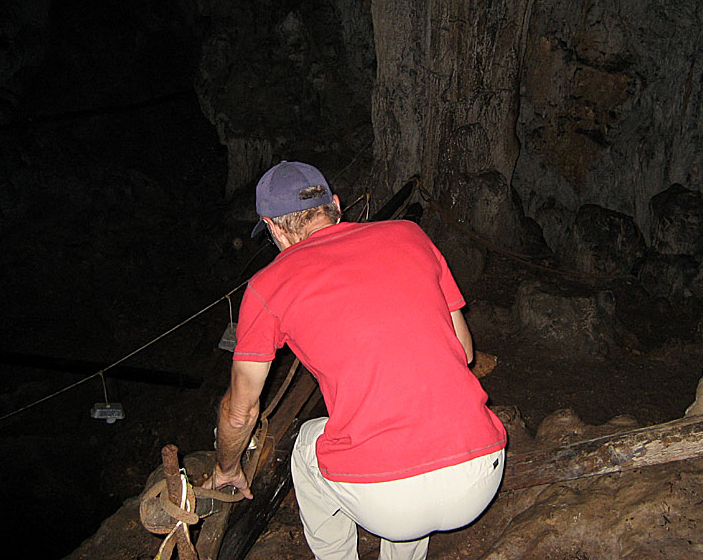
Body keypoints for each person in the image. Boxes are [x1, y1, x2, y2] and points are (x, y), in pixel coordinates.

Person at [212, 160, 507, 560]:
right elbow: (465, 351)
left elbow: (239, 414)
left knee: (305, 446)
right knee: (413, 428)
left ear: (274, 227)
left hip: (389, 502)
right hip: (480, 472)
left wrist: (228, 468)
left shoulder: (267, 286)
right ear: (335, 204)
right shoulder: (410, 235)